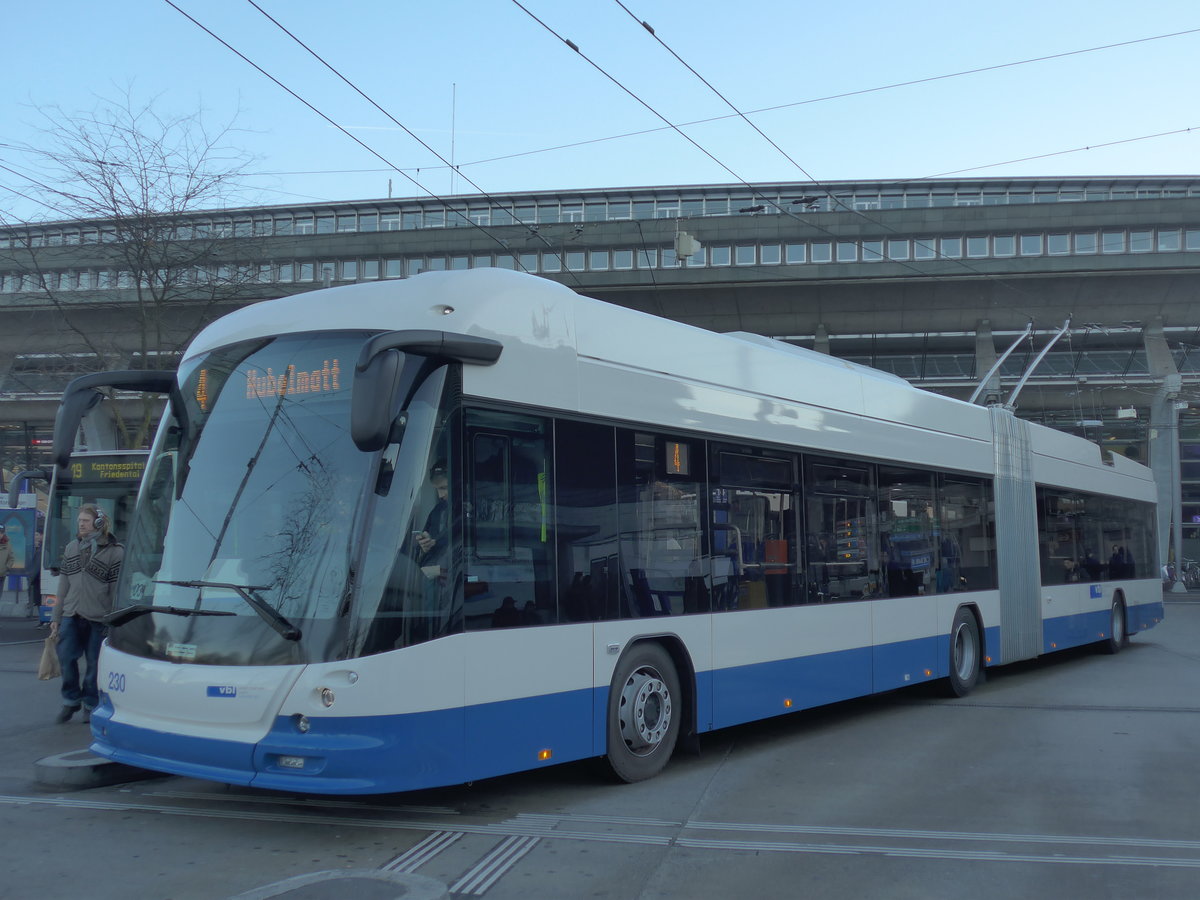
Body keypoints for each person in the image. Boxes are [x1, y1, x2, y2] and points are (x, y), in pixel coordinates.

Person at [51, 505, 123, 724]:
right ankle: (70, 700)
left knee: (94, 663)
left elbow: (116, 589)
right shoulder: (72, 547)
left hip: (98, 616)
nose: (80, 524)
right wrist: (56, 617)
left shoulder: (115, 551)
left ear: (99, 523)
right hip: (71, 614)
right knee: (65, 658)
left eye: (85, 521)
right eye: (79, 520)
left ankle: (90, 704)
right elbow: (63, 586)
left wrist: (112, 619)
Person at [0, 524, 12, 611]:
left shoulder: (7, 544)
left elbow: (11, 558)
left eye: (1, 532)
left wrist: (6, 567)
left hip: (1, 575)